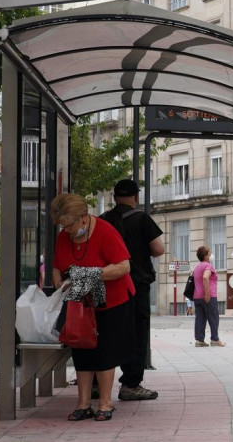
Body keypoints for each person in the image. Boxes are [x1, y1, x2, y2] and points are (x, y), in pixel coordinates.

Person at [50, 193, 134, 422]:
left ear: (84, 218)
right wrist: (60, 280)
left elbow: (123, 266)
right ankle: (83, 403)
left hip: (111, 300)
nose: (66, 230)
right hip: (80, 303)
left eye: (69, 224)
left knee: (105, 351)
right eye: (62, 225)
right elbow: (57, 266)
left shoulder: (106, 231)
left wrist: (91, 274)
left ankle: (106, 402)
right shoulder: (63, 237)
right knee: (82, 349)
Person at [104, 179, 165, 402]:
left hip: (109, 283)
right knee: (137, 333)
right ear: (136, 197)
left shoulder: (104, 220)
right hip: (136, 285)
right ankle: (130, 384)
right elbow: (158, 250)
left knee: (108, 331)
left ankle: (96, 384)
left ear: (113, 197)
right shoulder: (141, 219)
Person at [192, 245, 224, 347]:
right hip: (208, 296)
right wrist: (207, 294)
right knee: (213, 317)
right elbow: (205, 277)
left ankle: (199, 340)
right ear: (205, 257)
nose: (211, 256)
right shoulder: (208, 266)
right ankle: (215, 339)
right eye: (210, 254)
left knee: (200, 318)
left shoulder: (197, 267)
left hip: (197, 296)